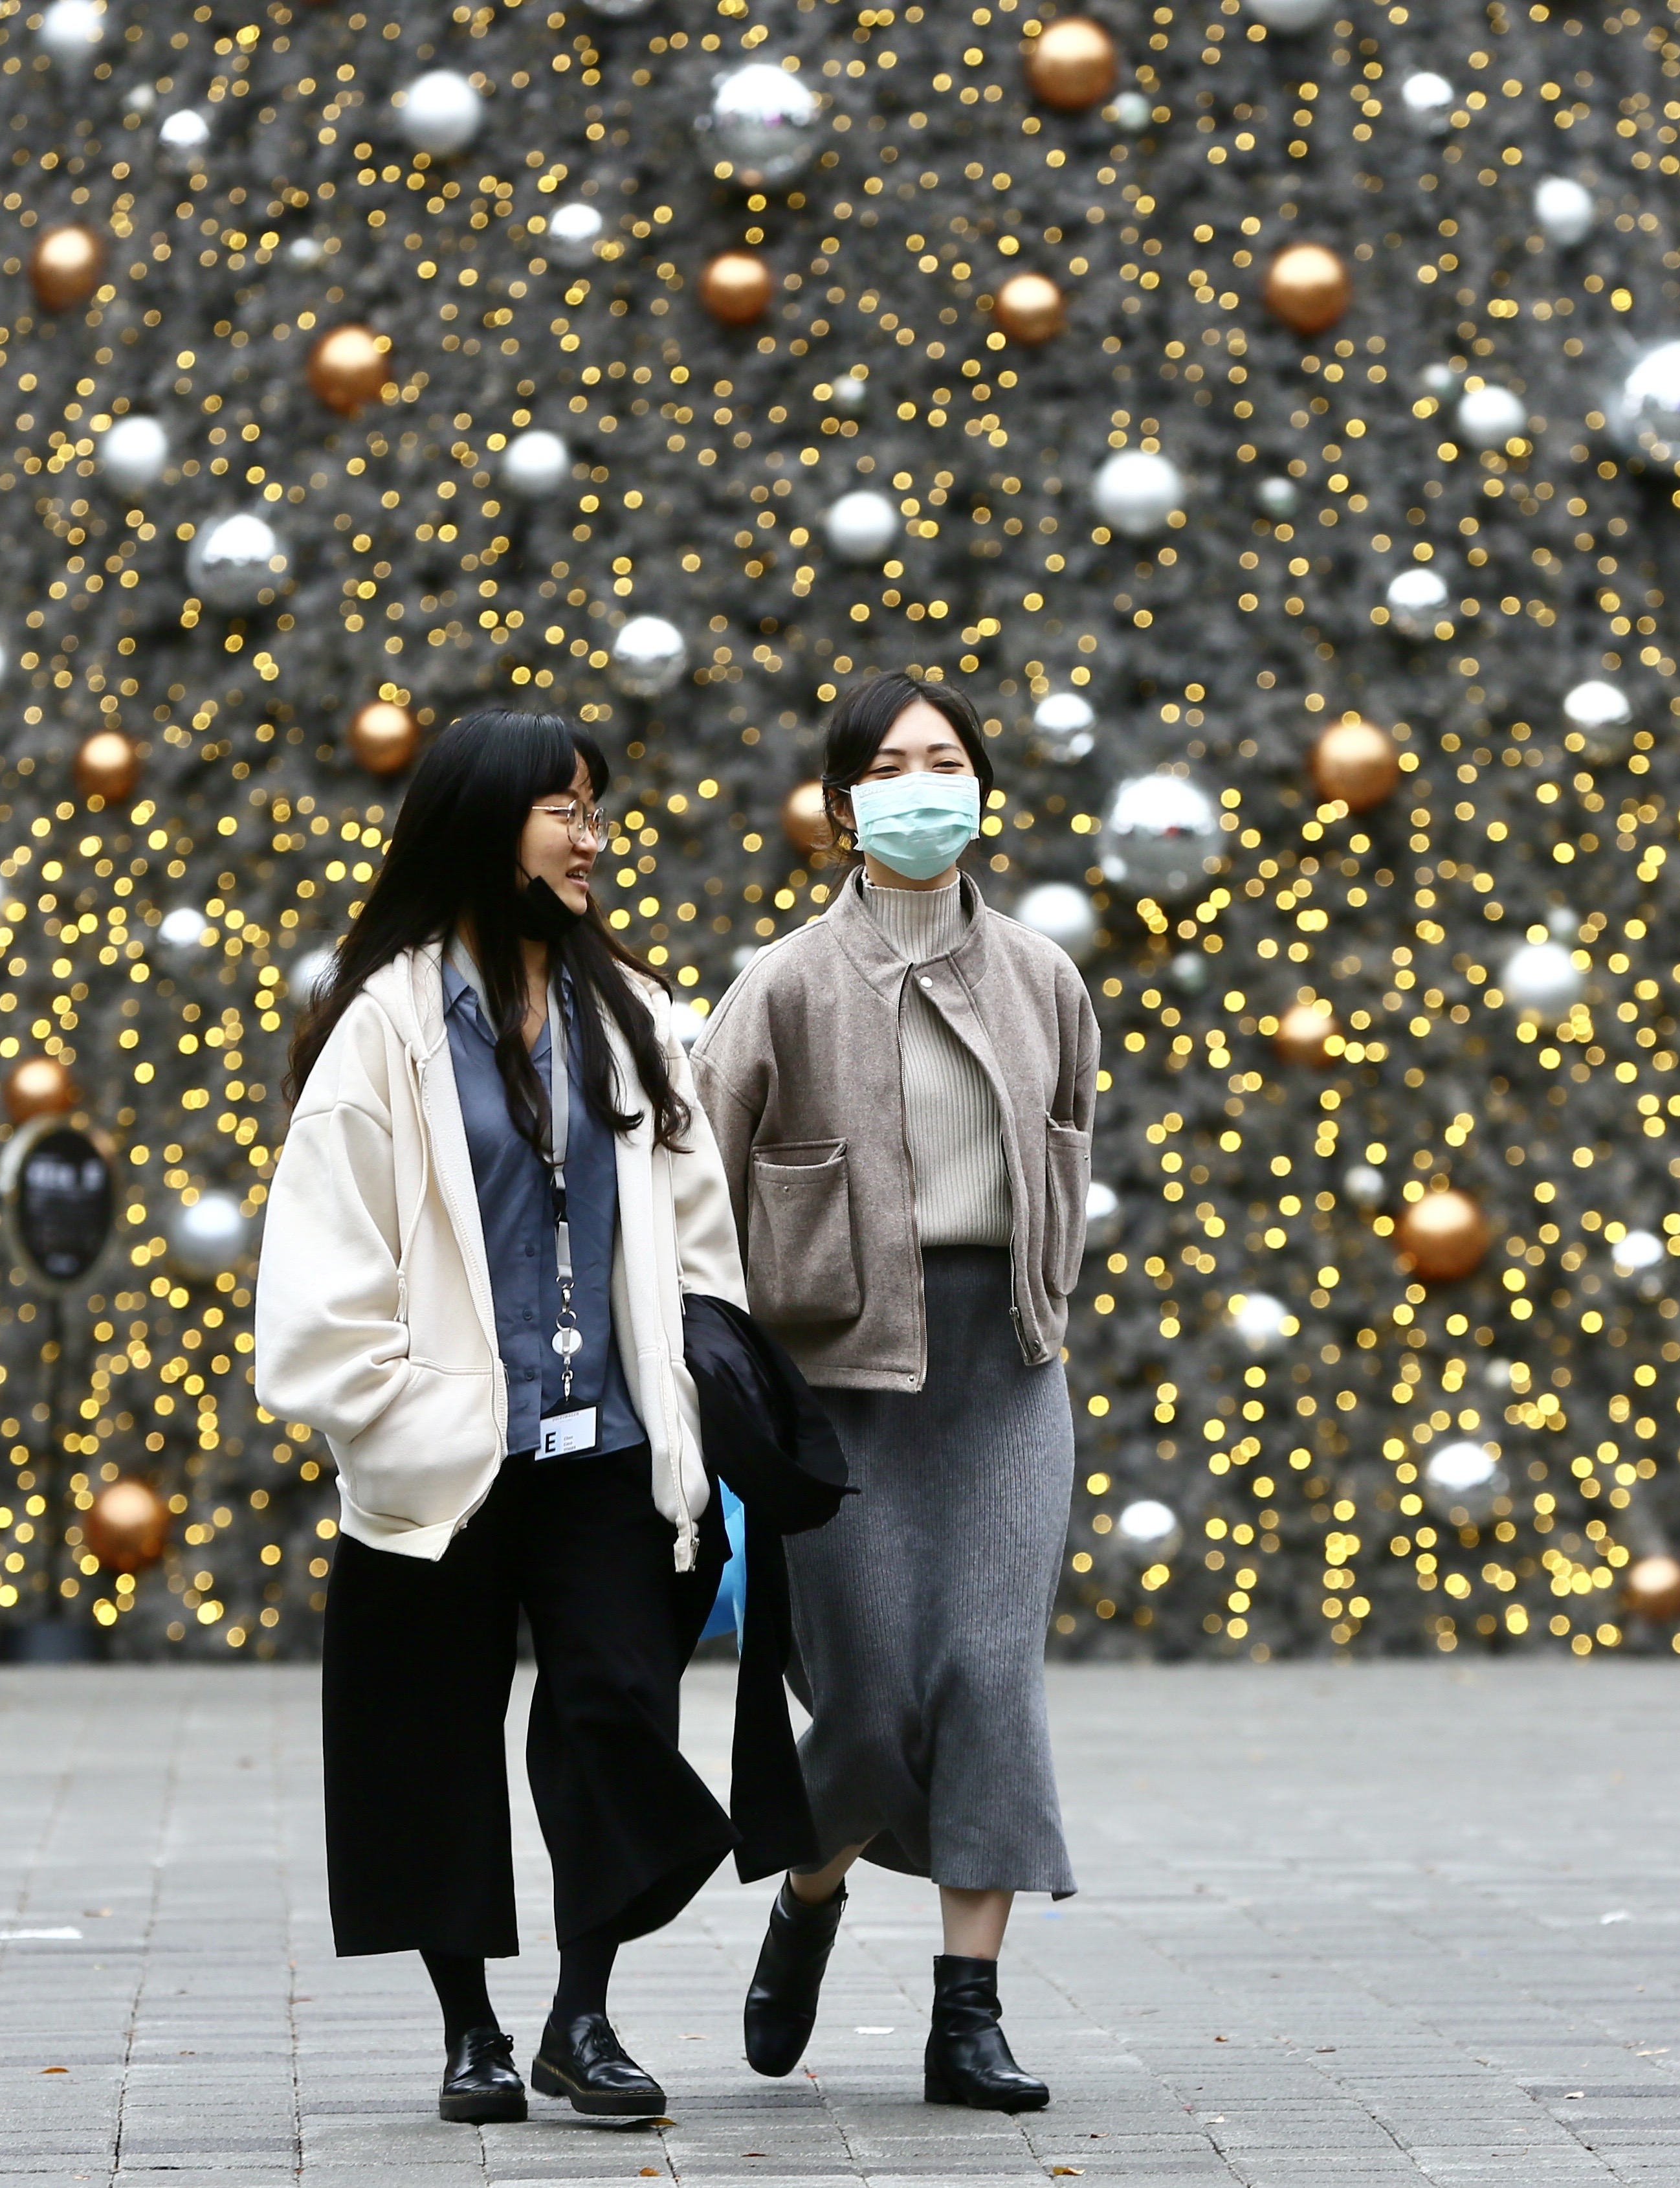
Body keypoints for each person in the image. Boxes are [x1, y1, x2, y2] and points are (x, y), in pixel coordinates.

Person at [254, 710, 744, 2126]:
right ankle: (469, 2029)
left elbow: (697, 1230)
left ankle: (579, 2021)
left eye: (597, 809)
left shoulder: (637, 1014)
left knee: (614, 1716)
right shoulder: (386, 1024)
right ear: (483, 823)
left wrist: (690, 1395)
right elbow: (321, 1258)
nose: (593, 836)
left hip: (606, 1450)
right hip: (445, 1458)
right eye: (564, 808)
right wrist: (397, 1420)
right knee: (426, 1738)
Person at [693, 669, 1101, 2112]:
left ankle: (967, 2012)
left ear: (980, 787)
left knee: (986, 1676)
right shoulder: (786, 982)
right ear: (843, 802)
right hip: (838, 1382)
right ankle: (811, 1892)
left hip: (1002, 1369)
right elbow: (698, 1178)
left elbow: (1064, 1153)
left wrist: (1039, 1305)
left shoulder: (1046, 975)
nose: (922, 783)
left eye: (946, 759)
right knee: (866, 1707)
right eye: (890, 763)